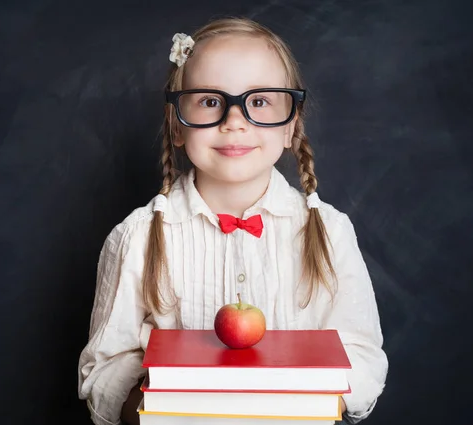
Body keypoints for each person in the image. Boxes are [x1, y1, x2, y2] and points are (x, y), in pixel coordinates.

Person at [78, 17, 388, 425]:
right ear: (176, 124)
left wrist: (298, 403)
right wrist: (162, 408)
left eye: (259, 101)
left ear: (291, 125)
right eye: (210, 101)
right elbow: (102, 371)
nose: (234, 120)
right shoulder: (135, 237)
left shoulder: (329, 232)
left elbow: (363, 357)